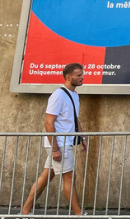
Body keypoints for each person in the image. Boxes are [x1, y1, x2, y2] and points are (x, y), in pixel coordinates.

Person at [22, 63, 87, 215]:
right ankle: (79, 214)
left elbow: (74, 119)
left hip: (65, 143)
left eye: (82, 74)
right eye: (79, 75)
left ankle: (24, 212)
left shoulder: (74, 95)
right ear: (69, 77)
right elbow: (49, 122)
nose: (82, 77)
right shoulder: (58, 95)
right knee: (70, 178)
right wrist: (55, 148)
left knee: (45, 177)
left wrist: (82, 137)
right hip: (60, 144)